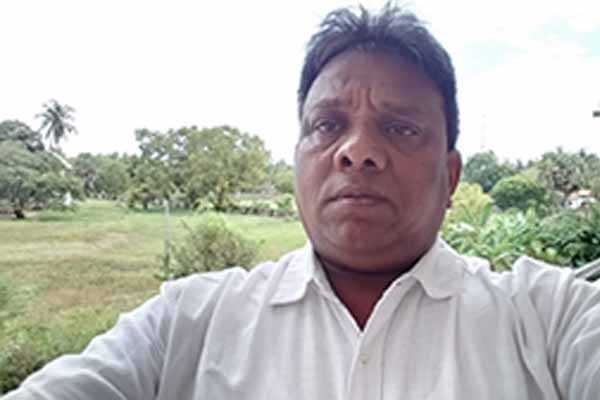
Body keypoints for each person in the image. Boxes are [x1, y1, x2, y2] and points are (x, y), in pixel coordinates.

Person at [5, 4, 600, 400]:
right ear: (297, 158)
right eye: (327, 125)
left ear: (449, 177)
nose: (357, 151)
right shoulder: (188, 323)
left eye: (400, 128)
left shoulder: (550, 319)